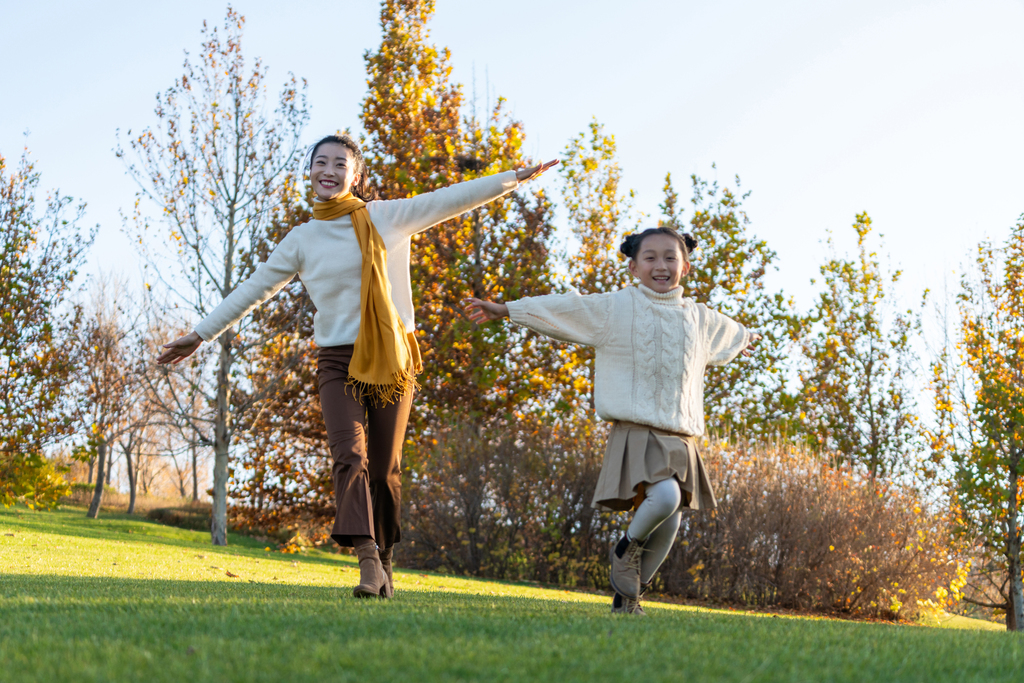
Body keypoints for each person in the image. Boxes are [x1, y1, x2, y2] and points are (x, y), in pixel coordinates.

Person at [158, 133, 556, 598]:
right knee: (350, 456)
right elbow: (253, 289)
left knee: (386, 467)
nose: (328, 170)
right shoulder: (302, 239)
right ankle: (367, 558)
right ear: (310, 171)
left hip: (391, 356)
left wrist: (512, 178)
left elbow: (449, 199)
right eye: (319, 162)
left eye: (338, 164)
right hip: (337, 360)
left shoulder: (386, 217)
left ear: (356, 175)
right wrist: (200, 334)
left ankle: (386, 559)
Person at [464, 227, 759, 615]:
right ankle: (623, 551)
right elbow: (564, 309)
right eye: (650, 257)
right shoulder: (616, 308)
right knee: (666, 497)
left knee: (670, 521)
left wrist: (745, 338)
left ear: (685, 266)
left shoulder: (700, 318)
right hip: (636, 431)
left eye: (670, 257)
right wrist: (507, 310)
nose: (661, 265)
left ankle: (628, 599)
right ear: (633, 267)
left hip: (681, 437)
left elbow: (735, 335)